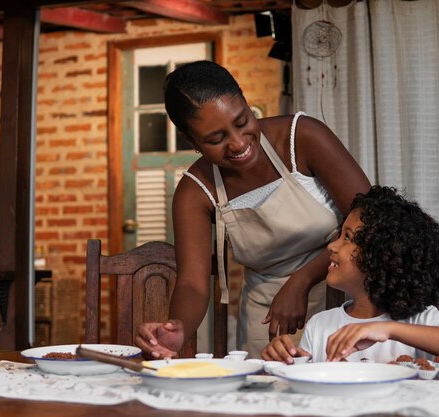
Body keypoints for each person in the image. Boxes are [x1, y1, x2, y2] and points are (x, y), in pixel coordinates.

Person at [135, 60, 371, 359]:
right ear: (190, 140)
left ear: (246, 104)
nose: (237, 143)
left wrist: (301, 280)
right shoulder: (195, 190)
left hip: (349, 299)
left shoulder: (301, 137)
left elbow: (372, 218)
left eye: (242, 121)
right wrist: (177, 328)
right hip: (271, 320)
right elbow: (193, 283)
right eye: (216, 139)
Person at [261, 186, 439, 363]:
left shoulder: (419, 320)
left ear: (383, 257)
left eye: (348, 238)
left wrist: (387, 330)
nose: (332, 247)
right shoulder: (320, 325)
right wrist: (288, 361)